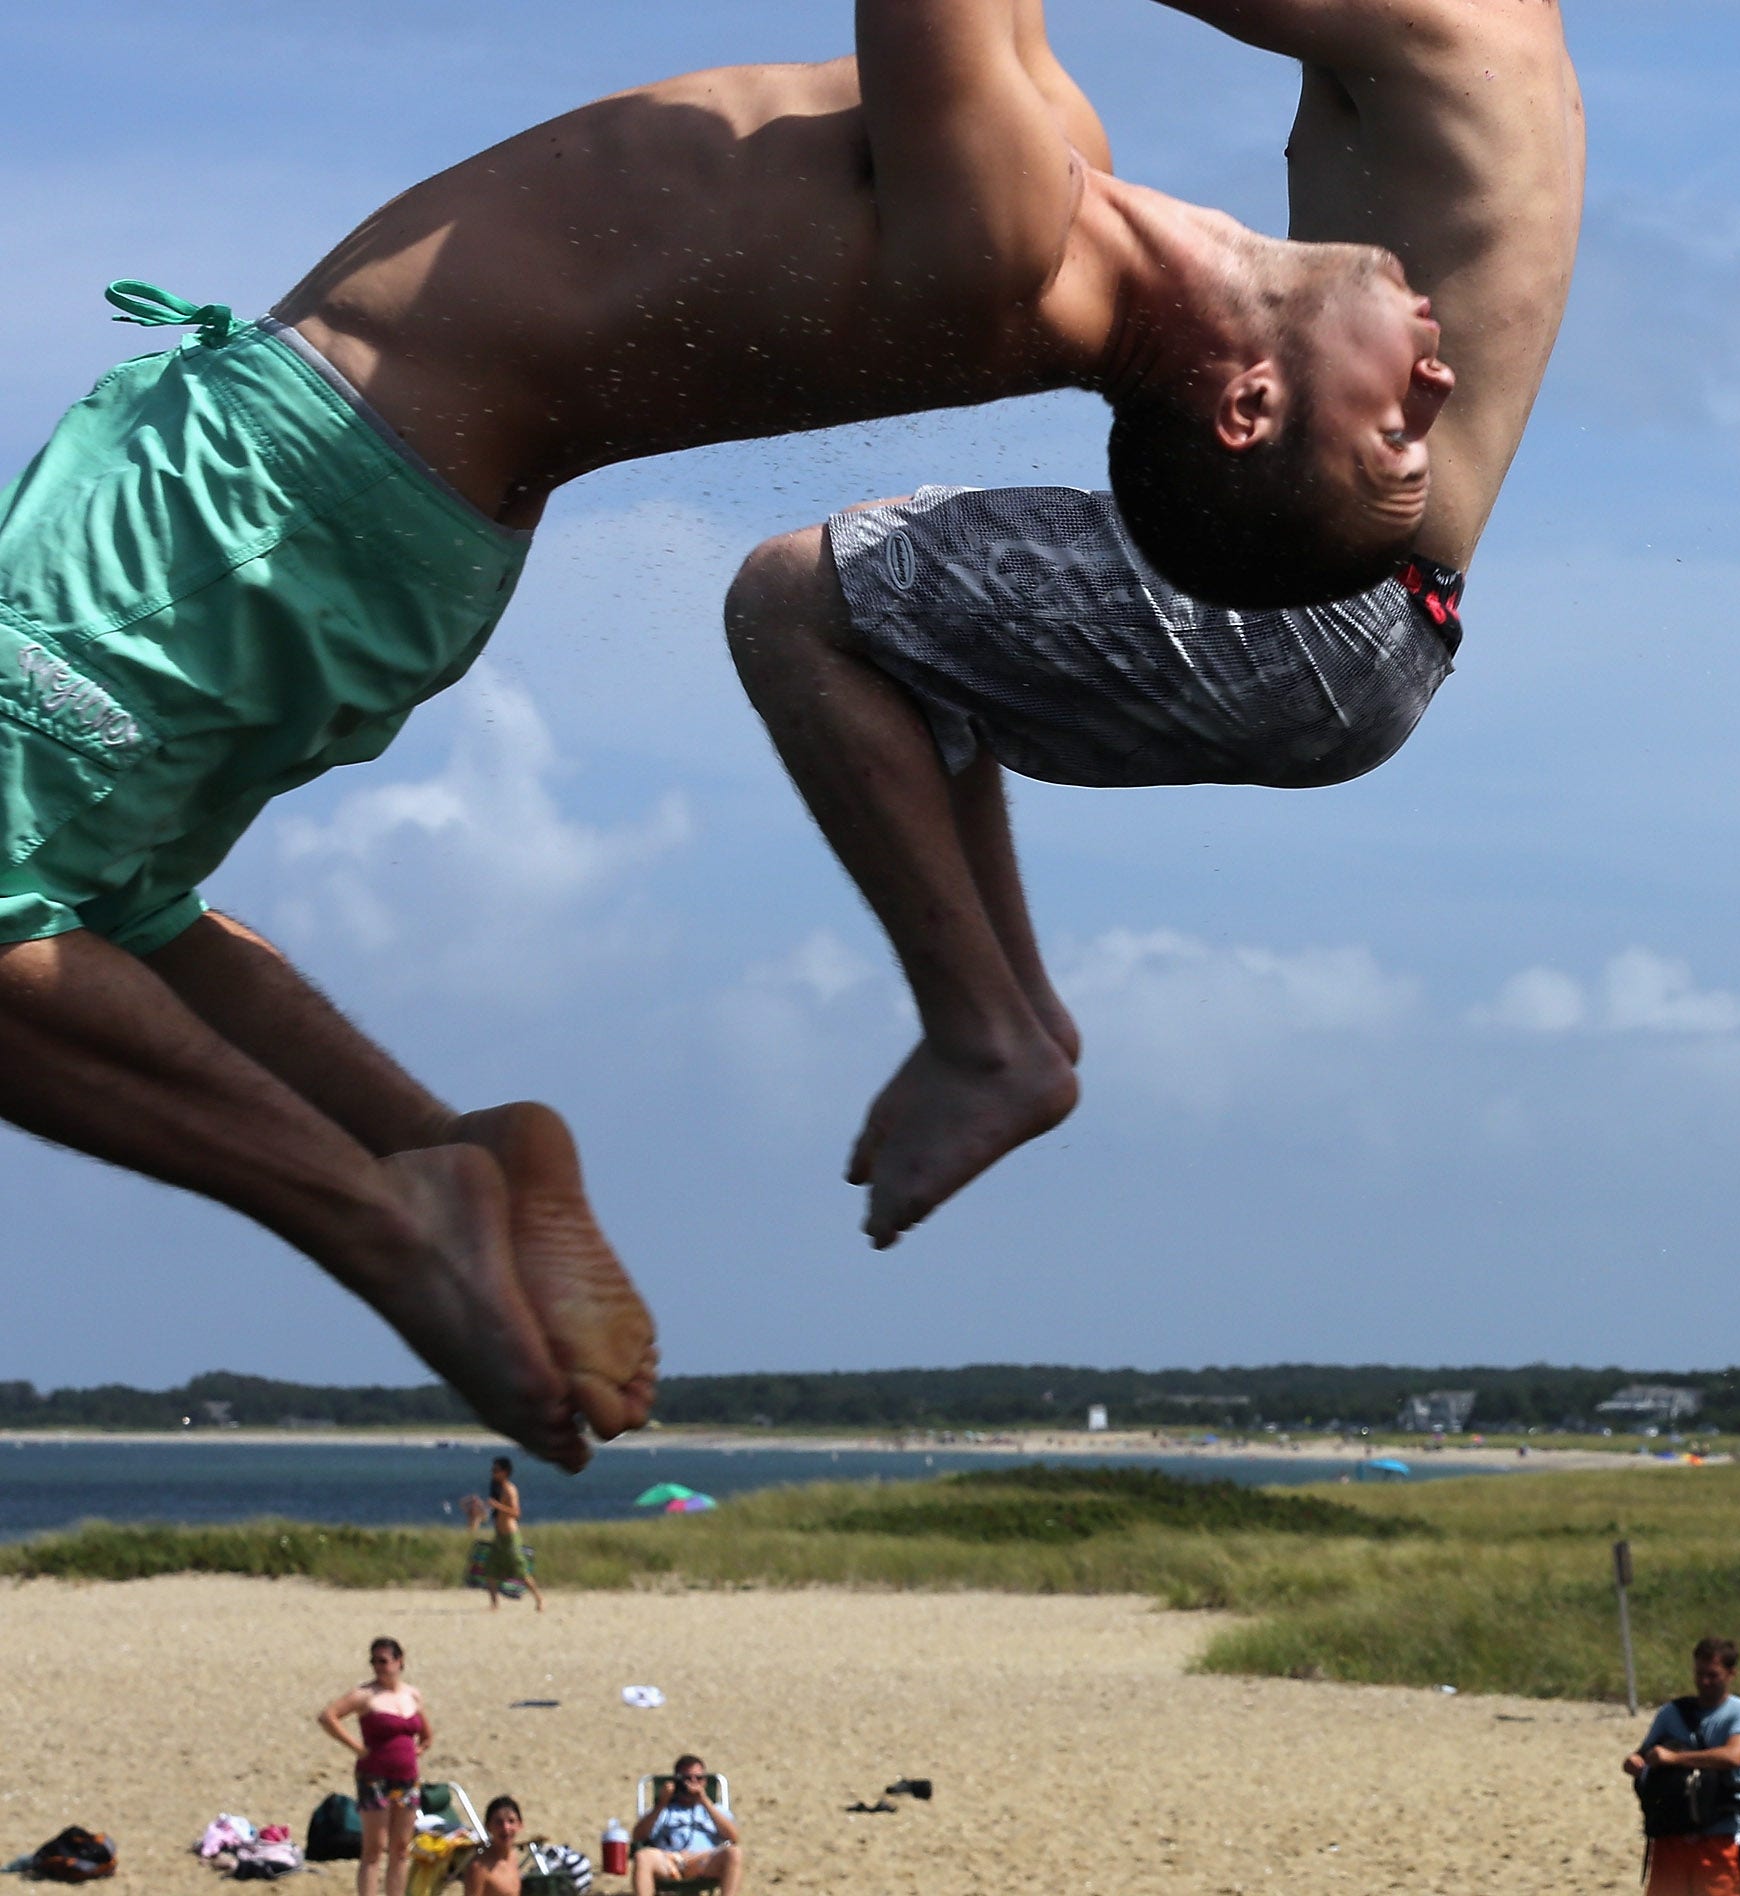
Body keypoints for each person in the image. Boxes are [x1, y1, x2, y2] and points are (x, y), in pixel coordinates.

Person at [0, 0, 1454, 1468]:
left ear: (1247, 407)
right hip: (372, 535)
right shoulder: (1043, 169)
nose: (1438, 395)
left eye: (1396, 440)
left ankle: (378, 1222)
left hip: (279, 499)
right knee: (105, 909)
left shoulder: (1004, 218)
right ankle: (437, 1143)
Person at [726, 0, 1586, 1245]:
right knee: (896, 642)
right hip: (1370, 622)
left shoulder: (1447, 18)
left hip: (1320, 611)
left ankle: (987, 1029)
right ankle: (1012, 1024)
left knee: (793, 600)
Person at [1621, 1637, 1740, 1896]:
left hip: (1718, 1834)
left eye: (1713, 1675)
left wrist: (1674, 1759)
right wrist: (1635, 1761)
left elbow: (1733, 1756)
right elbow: (1643, 1755)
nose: (1704, 1682)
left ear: (1731, 1674)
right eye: (1699, 1674)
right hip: (1670, 1832)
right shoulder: (1672, 1712)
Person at [318, 1636, 431, 1896]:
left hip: (406, 1777)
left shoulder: (412, 1694)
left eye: (384, 1661)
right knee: (374, 1848)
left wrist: (418, 1750)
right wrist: (357, 1747)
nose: (379, 1667)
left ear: (399, 1661)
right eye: (374, 1662)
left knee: (401, 1848)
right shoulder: (365, 1695)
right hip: (374, 1777)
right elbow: (328, 1717)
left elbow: (426, 1734)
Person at [630, 1756, 742, 1896]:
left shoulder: (715, 1810)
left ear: (705, 1781)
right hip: (669, 1860)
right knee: (642, 1857)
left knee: (734, 1853)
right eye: (687, 1779)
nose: (693, 1783)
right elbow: (638, 1836)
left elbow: (733, 1837)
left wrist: (705, 1802)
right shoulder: (663, 1809)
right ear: (677, 1781)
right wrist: (662, 1803)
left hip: (702, 1861)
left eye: (699, 1778)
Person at [465, 1457, 545, 1612]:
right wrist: (478, 1510)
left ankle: (539, 1598)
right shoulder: (497, 1488)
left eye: (496, 1470)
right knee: (490, 1568)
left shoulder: (510, 1489)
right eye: (492, 1470)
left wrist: (498, 1506)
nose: (493, 1473)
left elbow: (516, 1512)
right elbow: (489, 1514)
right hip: (499, 1536)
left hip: (510, 1536)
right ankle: (494, 1604)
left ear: (505, 1472)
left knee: (520, 1569)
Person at [460, 1797, 525, 1896]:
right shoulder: (479, 1868)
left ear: (520, 1825)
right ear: (488, 1826)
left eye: (511, 1821)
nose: (505, 1828)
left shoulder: (513, 1857)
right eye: (499, 1822)